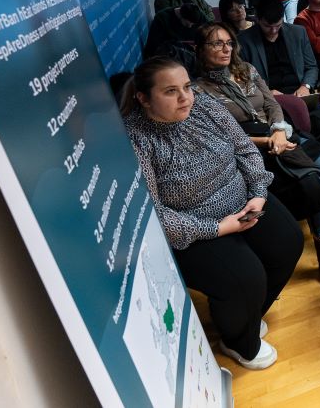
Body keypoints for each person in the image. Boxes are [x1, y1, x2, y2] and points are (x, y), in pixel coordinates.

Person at [121, 57, 303, 370]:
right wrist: (217, 228)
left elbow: (245, 150)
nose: (185, 97)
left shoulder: (205, 106)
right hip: (195, 227)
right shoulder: (136, 137)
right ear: (143, 98)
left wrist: (258, 194)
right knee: (246, 279)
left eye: (187, 87)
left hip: (243, 200)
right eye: (170, 91)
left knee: (289, 243)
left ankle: (247, 316)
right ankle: (238, 342)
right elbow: (153, 212)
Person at [193, 24, 320, 294]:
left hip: (282, 136)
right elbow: (220, 137)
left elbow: (271, 104)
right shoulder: (198, 91)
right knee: (314, 184)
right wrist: (267, 141)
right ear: (199, 49)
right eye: (216, 43)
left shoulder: (247, 70)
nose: (225, 49)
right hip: (248, 151)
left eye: (229, 43)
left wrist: (278, 130)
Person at [238, 0, 320, 153]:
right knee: (295, 130)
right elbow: (242, 79)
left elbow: (311, 66)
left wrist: (306, 86)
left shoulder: (297, 32)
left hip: (299, 93)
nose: (273, 31)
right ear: (257, 19)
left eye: (278, 25)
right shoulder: (244, 40)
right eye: (268, 26)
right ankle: (312, 161)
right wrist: (266, 93)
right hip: (271, 100)